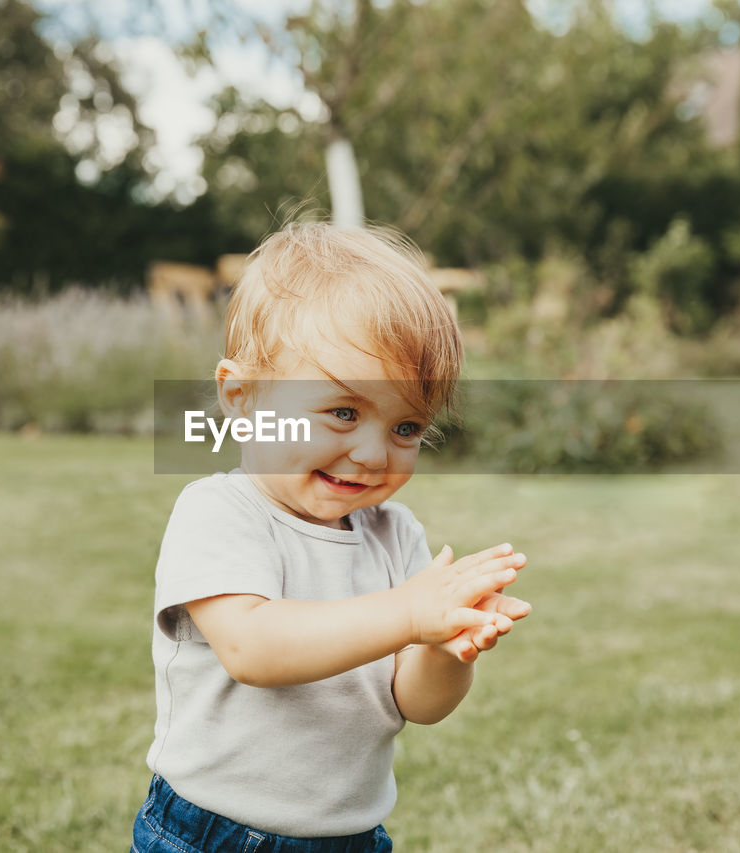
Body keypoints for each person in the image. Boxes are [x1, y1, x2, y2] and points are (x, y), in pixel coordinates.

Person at [133, 223, 532, 853]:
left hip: (350, 837)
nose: (375, 452)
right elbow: (254, 649)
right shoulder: (218, 512)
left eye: (406, 428)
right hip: (214, 835)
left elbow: (416, 704)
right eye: (343, 412)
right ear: (243, 398)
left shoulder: (396, 535)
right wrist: (407, 613)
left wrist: (446, 646)